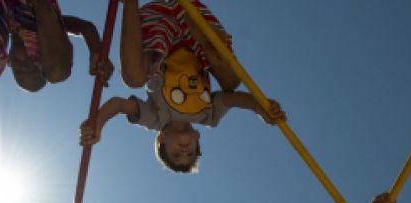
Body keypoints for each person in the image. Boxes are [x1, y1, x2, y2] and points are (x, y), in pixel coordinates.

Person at [78, 0, 285, 173]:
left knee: (133, 79)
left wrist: (98, 123)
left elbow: (118, 104)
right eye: (191, 153)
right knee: (231, 83)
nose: (184, 151)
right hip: (192, 33)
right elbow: (235, 99)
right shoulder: (209, 116)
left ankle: (130, 4)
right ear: (197, 138)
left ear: (161, 139)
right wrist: (261, 108)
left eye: (176, 154)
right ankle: (206, 37)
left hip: (158, 31)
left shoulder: (155, 119)